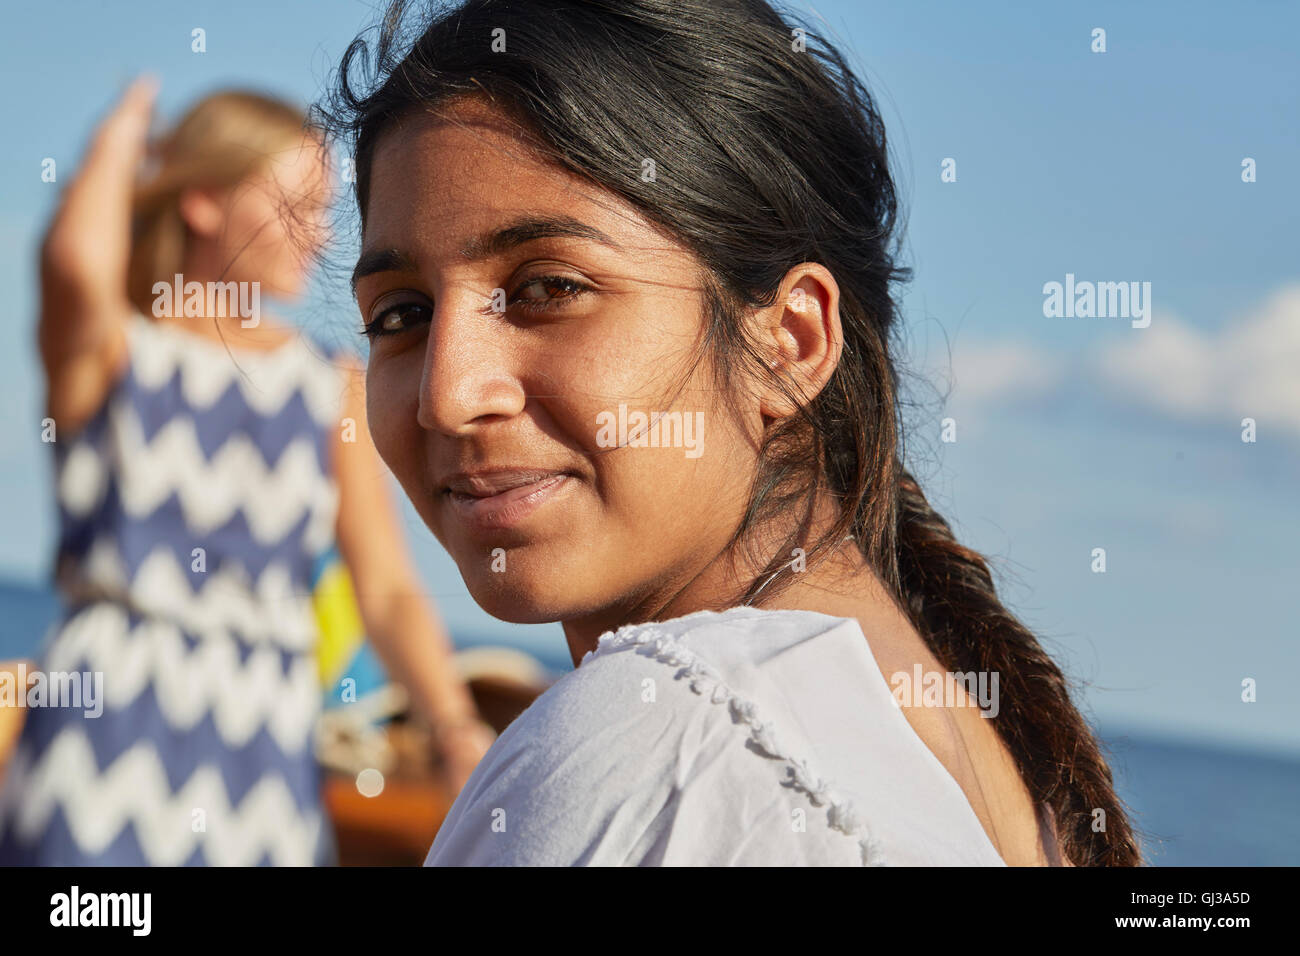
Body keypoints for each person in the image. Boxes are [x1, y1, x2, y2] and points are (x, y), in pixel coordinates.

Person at [319, 0, 1141, 865]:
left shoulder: (660, 738)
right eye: (401, 314)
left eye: (549, 288)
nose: (448, 396)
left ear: (790, 342)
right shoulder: (989, 773)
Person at [0, 80, 496, 866]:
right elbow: (72, 258)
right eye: (294, 206)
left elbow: (385, 585)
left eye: (325, 210)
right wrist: (128, 123)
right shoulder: (113, 351)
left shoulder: (328, 384)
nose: (322, 237)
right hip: (108, 720)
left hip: (262, 741)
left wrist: (452, 724)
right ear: (203, 201)